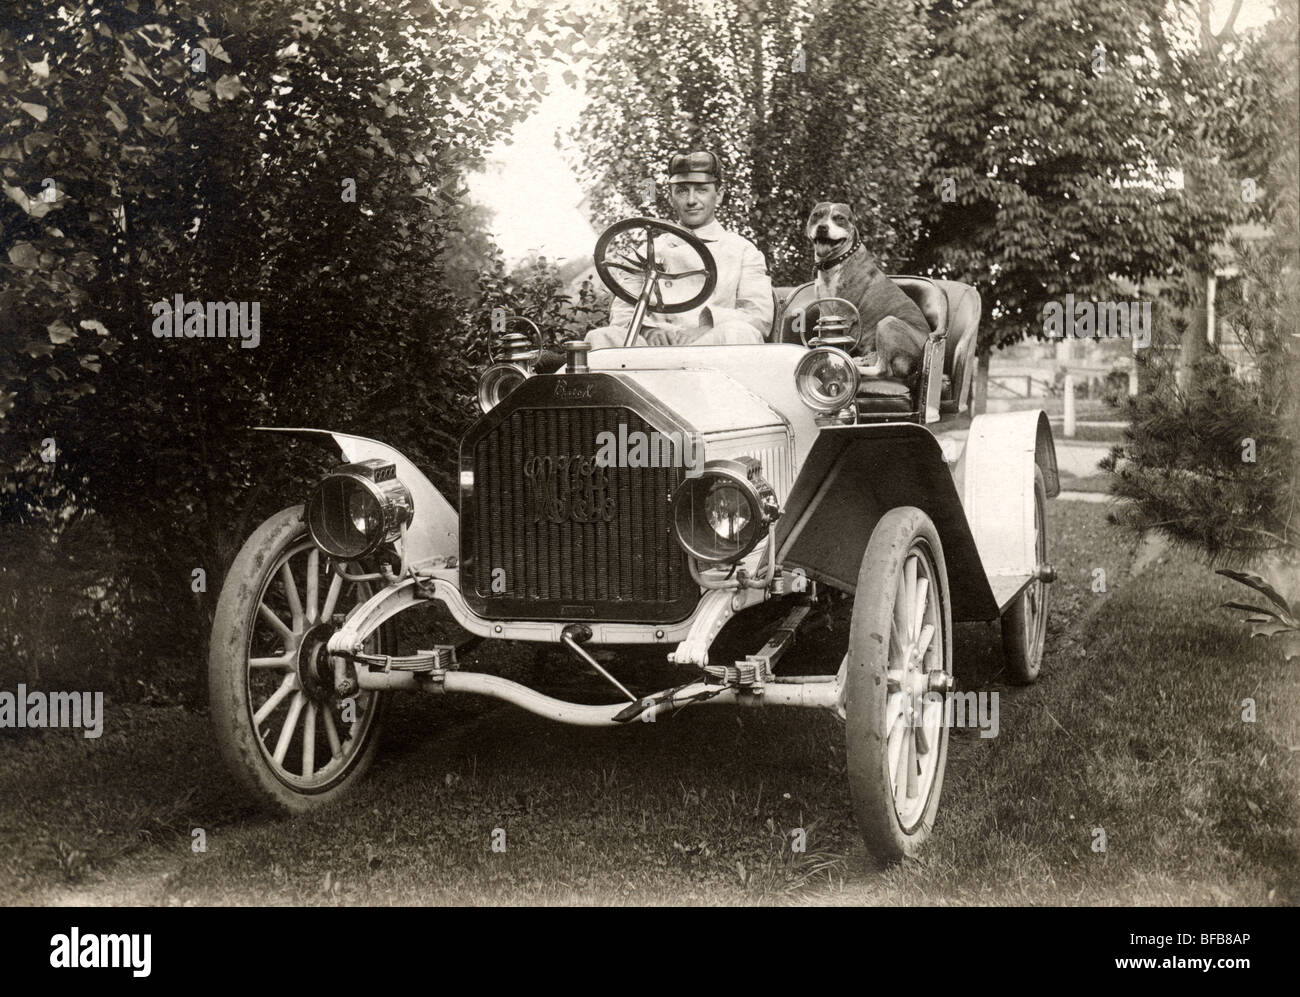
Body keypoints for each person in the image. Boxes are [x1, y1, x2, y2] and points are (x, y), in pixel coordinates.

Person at [586, 151, 773, 348]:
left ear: (719, 195)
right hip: (653, 351)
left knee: (739, 333)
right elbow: (622, 312)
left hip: (711, 347)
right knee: (600, 338)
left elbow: (759, 317)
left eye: (701, 190)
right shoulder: (650, 249)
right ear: (670, 197)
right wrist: (648, 330)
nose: (691, 200)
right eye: (682, 190)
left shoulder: (742, 250)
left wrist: (707, 326)